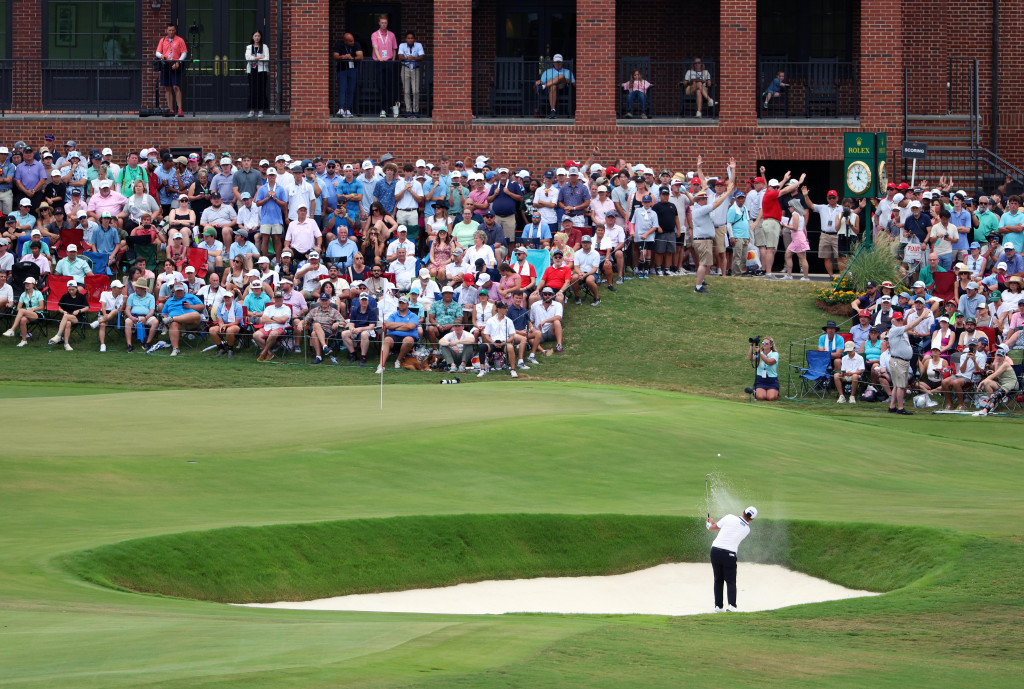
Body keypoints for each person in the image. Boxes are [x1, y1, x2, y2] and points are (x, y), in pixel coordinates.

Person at [705, 506, 757, 612]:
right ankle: (732, 606)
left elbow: (714, 527)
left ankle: (718, 607)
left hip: (715, 551)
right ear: (752, 519)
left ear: (743, 511)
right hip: (729, 555)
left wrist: (709, 525)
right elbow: (732, 529)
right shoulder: (747, 529)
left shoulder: (729, 517)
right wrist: (713, 524)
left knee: (718, 580)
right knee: (730, 581)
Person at [157, 282, 203, 357]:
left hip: (192, 322)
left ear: (184, 290)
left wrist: (190, 307)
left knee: (196, 315)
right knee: (173, 324)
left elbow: (202, 307)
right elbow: (164, 313)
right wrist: (165, 318)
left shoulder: (191, 297)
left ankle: (172, 319)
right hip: (178, 324)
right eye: (178, 291)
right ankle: (175, 349)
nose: (180, 292)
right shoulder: (169, 301)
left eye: (181, 290)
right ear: (174, 291)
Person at [377, 294, 419, 373]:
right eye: (400, 303)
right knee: (386, 340)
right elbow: (388, 325)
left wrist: (395, 326)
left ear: (407, 304)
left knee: (408, 340)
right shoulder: (393, 315)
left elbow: (411, 326)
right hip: (394, 336)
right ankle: (381, 365)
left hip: (409, 336)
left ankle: (398, 360)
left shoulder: (413, 315)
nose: (401, 304)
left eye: (403, 303)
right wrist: (404, 325)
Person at [973, 345, 1019, 416]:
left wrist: (981, 383)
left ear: (1004, 357)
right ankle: (992, 404)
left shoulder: (1005, 364)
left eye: (1000, 356)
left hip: (1010, 383)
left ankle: (986, 410)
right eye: (997, 355)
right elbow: (996, 376)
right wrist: (991, 373)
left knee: (997, 394)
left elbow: (995, 375)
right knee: (987, 382)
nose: (999, 357)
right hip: (1001, 383)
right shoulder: (996, 364)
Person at [886, 310, 916, 415]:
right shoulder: (894, 330)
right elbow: (910, 325)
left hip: (902, 360)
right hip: (898, 360)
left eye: (901, 319)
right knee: (900, 386)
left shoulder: (900, 330)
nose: (900, 321)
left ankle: (892, 406)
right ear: (893, 321)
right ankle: (900, 408)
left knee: (897, 385)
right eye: (898, 320)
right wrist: (921, 318)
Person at [478, 301, 519, 378]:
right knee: (482, 347)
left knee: (510, 347)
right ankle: (482, 369)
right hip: (493, 343)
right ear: (499, 309)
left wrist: (504, 342)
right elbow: (486, 335)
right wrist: (492, 342)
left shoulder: (509, 321)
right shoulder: (491, 320)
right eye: (504, 308)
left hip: (504, 343)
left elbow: (511, 336)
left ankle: (513, 370)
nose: (506, 310)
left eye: (507, 308)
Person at [155, 23, 187, 116]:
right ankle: (171, 109)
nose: (171, 32)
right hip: (166, 64)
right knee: (167, 88)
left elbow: (184, 53)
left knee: (176, 86)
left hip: (175, 63)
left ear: (175, 30)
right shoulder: (163, 40)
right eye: (169, 30)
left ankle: (180, 109)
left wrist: (179, 62)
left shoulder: (180, 40)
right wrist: (161, 55)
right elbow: (157, 52)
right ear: (166, 30)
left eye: (173, 30)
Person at [371, 14, 399, 118]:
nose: (384, 25)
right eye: (382, 23)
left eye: (385, 23)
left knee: (389, 86)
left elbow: (394, 48)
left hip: (389, 62)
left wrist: (393, 60)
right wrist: (379, 58)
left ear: (387, 23)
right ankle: (388, 107)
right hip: (379, 63)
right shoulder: (375, 34)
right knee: (380, 86)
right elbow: (375, 47)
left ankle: (389, 107)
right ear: (379, 23)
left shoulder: (391, 35)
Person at [4, 276, 43, 346]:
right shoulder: (23, 294)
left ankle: (12, 329)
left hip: (38, 314)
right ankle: (24, 340)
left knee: (22, 311)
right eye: (26, 283)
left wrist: (32, 309)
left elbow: (41, 307)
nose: (27, 285)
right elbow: (18, 307)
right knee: (22, 320)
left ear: (33, 285)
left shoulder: (38, 293)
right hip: (27, 314)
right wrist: (24, 312)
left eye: (29, 283)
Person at [254, 289, 291, 362]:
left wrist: (271, 317)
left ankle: (263, 352)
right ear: (274, 298)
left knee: (273, 333)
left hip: (280, 328)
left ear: (283, 298)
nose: (278, 299)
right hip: (267, 327)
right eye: (276, 298)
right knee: (255, 335)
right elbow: (263, 319)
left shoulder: (287, 308)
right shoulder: (269, 308)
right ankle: (269, 353)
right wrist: (277, 320)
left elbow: (283, 320)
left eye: (280, 297)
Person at [343, 289, 377, 365]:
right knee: (344, 334)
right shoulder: (355, 310)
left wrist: (360, 329)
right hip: (357, 329)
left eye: (365, 300)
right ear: (359, 301)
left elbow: (371, 326)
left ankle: (363, 356)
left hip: (368, 330)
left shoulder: (372, 311)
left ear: (368, 301)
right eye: (362, 300)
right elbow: (351, 323)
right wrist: (352, 329)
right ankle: (353, 354)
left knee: (364, 334)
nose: (364, 301)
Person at [536, 54, 575, 119]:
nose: (558, 64)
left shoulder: (567, 71)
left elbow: (575, 84)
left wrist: (568, 81)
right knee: (553, 86)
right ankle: (553, 110)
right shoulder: (547, 72)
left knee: (562, 76)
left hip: (562, 89)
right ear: (553, 63)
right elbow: (541, 81)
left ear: (562, 63)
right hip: (550, 90)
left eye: (559, 62)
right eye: (556, 62)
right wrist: (538, 82)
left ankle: (543, 86)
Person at [333, 32, 363, 118]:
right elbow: (335, 56)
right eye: (350, 41)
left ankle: (348, 110)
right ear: (345, 41)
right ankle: (341, 109)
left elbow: (360, 56)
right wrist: (343, 57)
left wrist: (352, 58)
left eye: (352, 40)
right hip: (342, 70)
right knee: (342, 89)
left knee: (351, 89)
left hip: (352, 70)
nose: (352, 42)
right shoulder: (339, 44)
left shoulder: (356, 44)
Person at [397, 31, 424, 118]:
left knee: (416, 91)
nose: (410, 40)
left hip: (415, 68)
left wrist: (413, 58)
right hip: (405, 68)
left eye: (412, 38)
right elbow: (400, 56)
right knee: (406, 91)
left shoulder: (418, 45)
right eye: (408, 38)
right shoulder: (402, 45)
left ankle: (416, 110)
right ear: (406, 39)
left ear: (414, 39)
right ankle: (408, 110)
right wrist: (407, 58)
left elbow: (421, 57)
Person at [208, 291, 243, 357]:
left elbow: (237, 322)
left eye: (228, 297)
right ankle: (221, 348)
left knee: (229, 330)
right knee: (212, 330)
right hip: (223, 324)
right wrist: (222, 326)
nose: (227, 299)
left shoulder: (238, 306)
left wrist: (225, 325)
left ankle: (230, 349)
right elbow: (220, 319)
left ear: (232, 298)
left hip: (235, 325)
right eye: (225, 297)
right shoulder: (220, 306)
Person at [529, 286, 563, 354]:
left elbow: (559, 317)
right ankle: (544, 351)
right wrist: (531, 327)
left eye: (549, 294)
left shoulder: (558, 305)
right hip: (539, 332)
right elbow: (530, 321)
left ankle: (559, 345)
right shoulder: (534, 305)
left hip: (551, 331)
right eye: (545, 294)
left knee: (557, 322)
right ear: (542, 295)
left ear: (552, 295)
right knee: (529, 338)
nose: (547, 296)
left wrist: (545, 321)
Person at [783, 200, 810, 280]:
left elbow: (795, 227)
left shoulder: (795, 215)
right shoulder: (801, 215)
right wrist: (806, 237)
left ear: (793, 207)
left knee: (802, 258)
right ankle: (789, 275)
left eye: (789, 206)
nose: (788, 208)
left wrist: (785, 225)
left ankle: (806, 277)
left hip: (797, 237)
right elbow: (804, 228)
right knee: (787, 255)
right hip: (798, 237)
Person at [245, 30, 270, 118]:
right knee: (252, 90)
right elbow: (248, 58)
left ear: (260, 37)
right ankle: (252, 110)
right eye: (255, 36)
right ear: (252, 37)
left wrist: (255, 57)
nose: (257, 37)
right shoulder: (249, 47)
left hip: (261, 71)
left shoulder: (264, 47)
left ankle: (261, 110)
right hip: (252, 71)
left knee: (261, 90)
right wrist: (260, 57)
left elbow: (266, 60)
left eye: (258, 36)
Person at [750, 336, 779, 401]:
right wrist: (751, 346)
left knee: (771, 398)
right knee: (761, 397)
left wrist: (760, 354)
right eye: (763, 343)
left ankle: (774, 392)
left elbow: (769, 362)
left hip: (772, 380)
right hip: (760, 379)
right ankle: (758, 391)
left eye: (766, 343)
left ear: (771, 345)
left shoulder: (775, 354)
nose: (764, 344)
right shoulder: (760, 352)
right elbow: (751, 358)